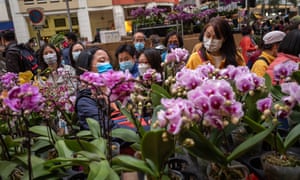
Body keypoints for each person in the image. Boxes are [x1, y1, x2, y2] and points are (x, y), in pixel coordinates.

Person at [75, 47, 117, 130]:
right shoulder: (85, 102)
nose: (107, 65)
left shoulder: (113, 91)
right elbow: (108, 129)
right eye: (102, 61)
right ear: (86, 67)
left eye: (109, 61)